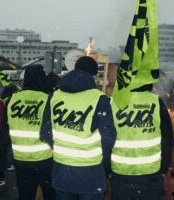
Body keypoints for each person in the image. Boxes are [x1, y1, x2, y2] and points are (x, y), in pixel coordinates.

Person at [40, 56, 117, 200]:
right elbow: (108, 138)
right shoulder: (100, 99)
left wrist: (63, 150)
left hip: (62, 174)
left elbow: (45, 133)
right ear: (94, 75)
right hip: (91, 177)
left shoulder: (54, 97)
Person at [0, 65, 55, 200]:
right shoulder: (49, 99)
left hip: (21, 161)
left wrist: (0, 161)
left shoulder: (12, 100)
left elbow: (3, 132)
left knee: (25, 196)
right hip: (46, 160)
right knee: (51, 195)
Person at [110, 84, 174, 200]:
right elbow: (168, 138)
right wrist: (163, 167)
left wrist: (108, 169)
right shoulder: (156, 101)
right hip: (151, 174)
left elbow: (105, 138)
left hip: (121, 174)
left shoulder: (114, 102)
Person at [0, 84, 19, 170]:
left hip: (4, 125)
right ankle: (10, 163)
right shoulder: (11, 100)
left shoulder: (3, 98)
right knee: (11, 146)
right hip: (10, 125)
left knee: (7, 146)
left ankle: (6, 163)